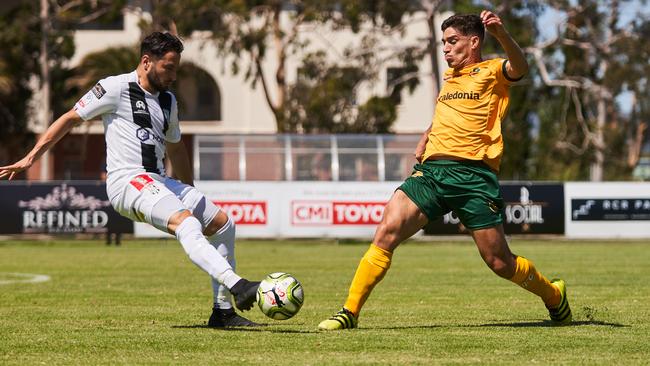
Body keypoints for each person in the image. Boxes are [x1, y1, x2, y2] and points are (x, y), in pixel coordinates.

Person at [318, 11, 572, 330]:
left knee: (499, 262)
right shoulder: (450, 78)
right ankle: (349, 312)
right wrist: (427, 135)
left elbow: (520, 67)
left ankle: (552, 295)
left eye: (452, 42)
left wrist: (503, 35)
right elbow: (449, 114)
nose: (446, 49)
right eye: (444, 43)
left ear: (474, 41)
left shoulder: (492, 71)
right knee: (387, 230)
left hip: (473, 177)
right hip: (433, 172)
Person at [0, 32, 260, 328]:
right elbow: (71, 118)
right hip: (127, 182)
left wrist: (187, 190)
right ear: (147, 62)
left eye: (176, 68)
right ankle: (237, 285)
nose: (174, 75)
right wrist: (31, 157)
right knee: (186, 223)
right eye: (169, 67)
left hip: (158, 181)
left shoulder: (168, 101)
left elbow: (175, 147)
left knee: (223, 224)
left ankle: (223, 312)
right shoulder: (114, 87)